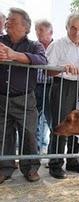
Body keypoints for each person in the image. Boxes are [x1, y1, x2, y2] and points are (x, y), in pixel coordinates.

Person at [0, 7, 47, 184]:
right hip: (2, 98)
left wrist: (15, 55)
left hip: (25, 98)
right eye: (8, 20)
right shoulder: (0, 41)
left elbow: (42, 61)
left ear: (25, 27)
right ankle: (5, 168)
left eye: (12, 20)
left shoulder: (34, 45)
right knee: (4, 135)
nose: (7, 22)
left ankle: (31, 168)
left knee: (29, 134)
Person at [46, 13, 79, 179]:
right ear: (67, 27)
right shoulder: (58, 44)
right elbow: (48, 70)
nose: (77, 32)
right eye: (73, 28)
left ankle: (73, 161)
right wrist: (63, 67)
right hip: (62, 86)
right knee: (60, 124)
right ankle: (55, 164)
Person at [34, 19, 54, 154]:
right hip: (36, 86)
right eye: (37, 30)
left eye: (40, 30)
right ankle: (34, 152)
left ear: (50, 32)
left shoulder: (57, 45)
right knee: (34, 119)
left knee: (51, 120)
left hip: (53, 86)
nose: (37, 33)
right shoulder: (34, 46)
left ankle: (50, 151)